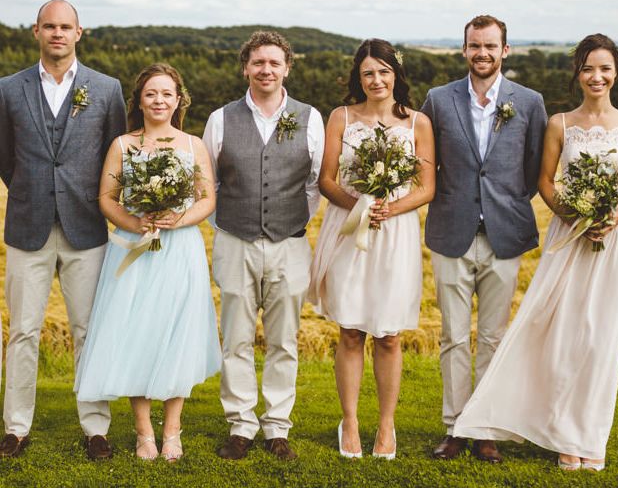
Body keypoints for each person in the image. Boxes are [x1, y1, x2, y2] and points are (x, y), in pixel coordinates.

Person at [453, 33, 618, 471]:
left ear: (616, 71)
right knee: (562, 337)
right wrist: (577, 214)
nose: (596, 76)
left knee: (602, 341)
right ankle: (560, 434)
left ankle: (590, 436)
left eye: (603, 68)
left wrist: (612, 217)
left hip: (616, 240)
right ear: (577, 73)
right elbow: (544, 183)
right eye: (587, 68)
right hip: (569, 238)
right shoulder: (560, 123)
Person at [74, 63, 221, 461]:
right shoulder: (123, 144)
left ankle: (172, 430)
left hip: (181, 249)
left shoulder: (193, 145)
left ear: (179, 100)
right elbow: (106, 198)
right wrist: (136, 222)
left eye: (166, 94)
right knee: (135, 333)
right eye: (151, 94)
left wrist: (178, 219)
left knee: (177, 334)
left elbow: (207, 199)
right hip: (133, 250)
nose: (159, 100)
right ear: (139, 100)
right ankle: (143, 432)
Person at [0, 0, 126, 459]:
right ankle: (15, 427)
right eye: (49, 26)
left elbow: (115, 158)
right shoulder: (8, 90)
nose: (57, 33)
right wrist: (35, 191)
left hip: (86, 227)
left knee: (88, 329)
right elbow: (5, 157)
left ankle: (96, 427)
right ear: (36, 31)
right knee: (23, 331)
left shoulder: (106, 89)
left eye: (65, 26)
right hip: (28, 225)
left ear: (79, 32)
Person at [422, 14, 548, 462]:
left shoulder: (529, 102)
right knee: (453, 336)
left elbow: (534, 169)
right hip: (450, 231)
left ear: (505, 51)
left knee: (494, 337)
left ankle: (487, 428)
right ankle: (455, 427)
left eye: (490, 46)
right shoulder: (437, 100)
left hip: (504, 234)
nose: (482, 53)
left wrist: (502, 205)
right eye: (475, 46)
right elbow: (426, 163)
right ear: (464, 50)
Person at [309, 39, 435, 459]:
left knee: (389, 335)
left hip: (395, 234)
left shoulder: (417, 122)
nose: (376, 80)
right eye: (368, 73)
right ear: (357, 78)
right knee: (349, 331)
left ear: (396, 75)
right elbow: (327, 180)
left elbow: (427, 187)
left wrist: (390, 208)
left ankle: (386, 425)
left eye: (383, 71)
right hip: (350, 230)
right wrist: (361, 205)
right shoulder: (341, 117)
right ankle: (350, 421)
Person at [203, 30, 324, 461]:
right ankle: (240, 423)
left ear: (287, 67)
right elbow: (209, 183)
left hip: (290, 244)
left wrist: (287, 222)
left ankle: (277, 426)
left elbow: (313, 184)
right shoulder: (220, 119)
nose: (266, 70)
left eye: (274, 63)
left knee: (283, 340)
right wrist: (234, 223)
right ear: (246, 68)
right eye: (258, 63)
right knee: (234, 336)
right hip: (234, 241)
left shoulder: (310, 118)